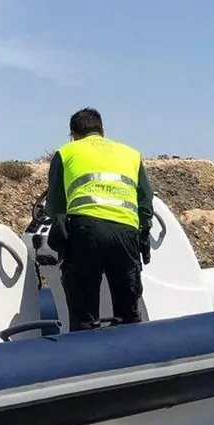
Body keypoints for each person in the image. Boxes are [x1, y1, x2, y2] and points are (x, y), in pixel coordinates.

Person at [44, 107, 153, 331]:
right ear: (102, 130)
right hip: (126, 233)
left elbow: (55, 203)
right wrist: (143, 232)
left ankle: (86, 348)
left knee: (83, 316)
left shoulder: (66, 152)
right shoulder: (131, 154)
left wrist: (59, 226)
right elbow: (145, 199)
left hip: (86, 232)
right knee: (128, 314)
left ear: (73, 134)